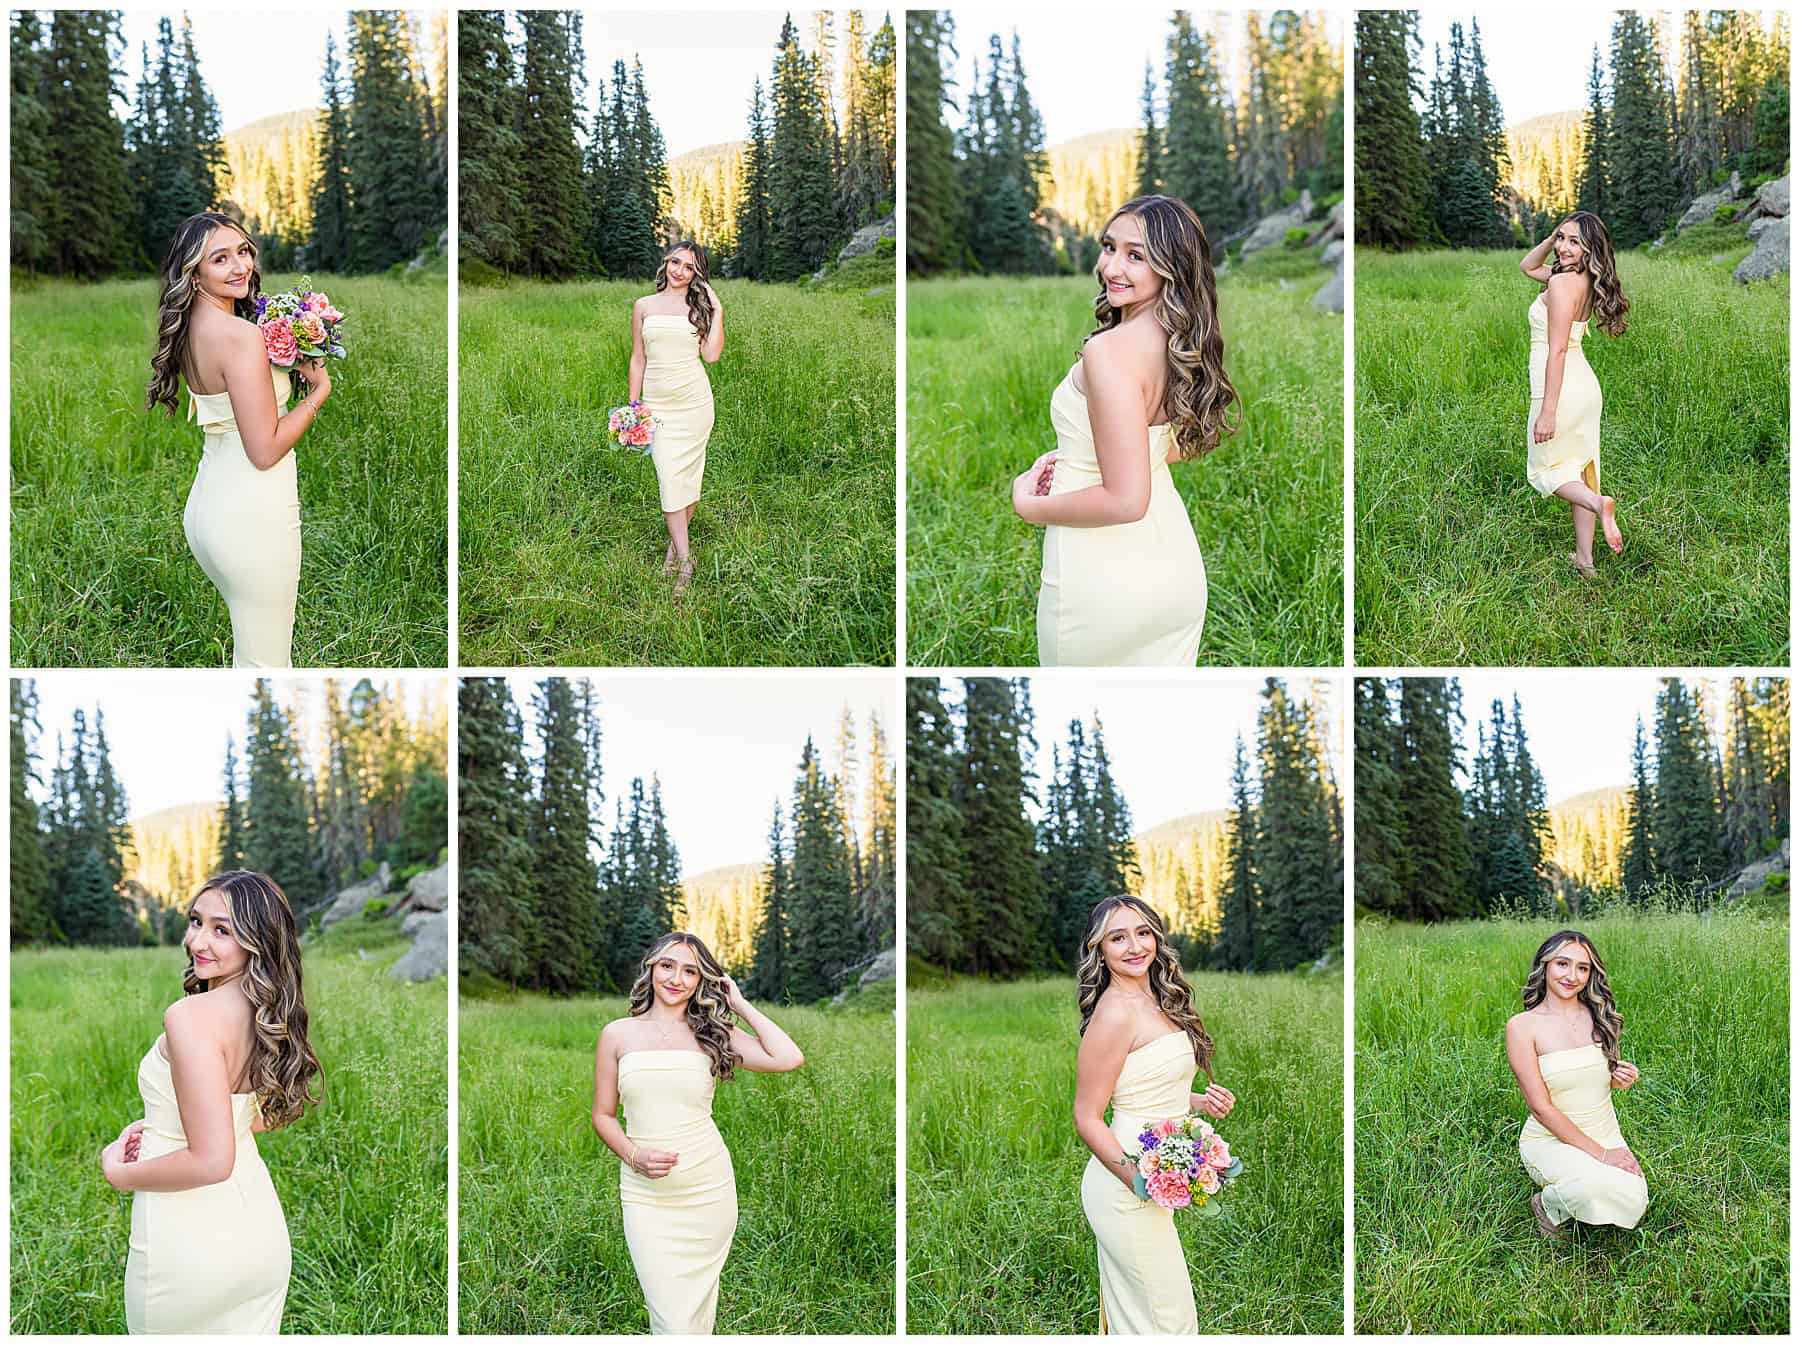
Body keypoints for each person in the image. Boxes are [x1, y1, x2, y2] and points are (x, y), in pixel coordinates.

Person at [1012, 194, 1240, 665]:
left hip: (1102, 579)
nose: (1111, 267)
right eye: (1109, 247)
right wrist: (1082, 459)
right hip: (1172, 566)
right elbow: (1167, 446)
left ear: (1170, 268)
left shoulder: (1110, 352)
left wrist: (1031, 505)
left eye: (1135, 256)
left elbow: (1125, 500)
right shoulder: (1178, 344)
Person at [101, 871, 322, 1333]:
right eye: (196, 921)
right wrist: (164, 1130)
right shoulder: (266, 1014)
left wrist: (119, 1173)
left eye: (222, 930)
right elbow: (252, 1119)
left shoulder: (191, 1017)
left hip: (189, 1241)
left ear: (256, 941)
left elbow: (212, 1160)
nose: (199, 940)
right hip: (258, 1231)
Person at [591, 933, 802, 1332]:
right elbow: (603, 1115)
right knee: (670, 1316)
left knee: (692, 1318)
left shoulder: (714, 1033)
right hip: (647, 1197)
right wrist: (634, 1156)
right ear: (651, 968)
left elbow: (789, 1058)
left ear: (703, 979)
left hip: (708, 1193)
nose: (676, 978)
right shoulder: (617, 1034)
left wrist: (738, 1004)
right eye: (668, 965)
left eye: (690, 970)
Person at [147, 213, 331, 667]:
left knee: (252, 657)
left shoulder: (191, 328)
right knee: (267, 666)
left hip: (209, 510)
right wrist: (319, 391)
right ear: (194, 273)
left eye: (244, 252)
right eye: (220, 259)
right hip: (253, 517)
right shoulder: (242, 336)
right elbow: (265, 450)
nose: (240, 267)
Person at [1074, 895, 1237, 1332]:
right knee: (1168, 1322)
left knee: (1149, 1317)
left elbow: (1145, 1092)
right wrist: (1139, 1183)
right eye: (1117, 937)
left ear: (1157, 937)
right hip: (1122, 1187)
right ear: (1100, 950)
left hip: (1151, 1177)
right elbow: (1087, 1116)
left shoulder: (1161, 1000)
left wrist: (1200, 1102)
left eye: (1142, 932)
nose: (1134, 946)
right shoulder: (1113, 1015)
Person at [1504, 929, 1645, 1238]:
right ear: (1545, 966)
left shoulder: (1598, 1015)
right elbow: (1540, 1108)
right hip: (1550, 1138)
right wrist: (1602, 1155)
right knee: (1590, 1188)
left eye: (1583, 968)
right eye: (1562, 964)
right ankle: (1547, 1205)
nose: (1572, 975)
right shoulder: (1522, 1027)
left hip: (1604, 1131)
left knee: (1634, 1200)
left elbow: (1595, 1080)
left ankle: (1580, 1186)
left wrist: (1619, 1079)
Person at [1519, 211, 1630, 578]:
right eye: (1561, 238)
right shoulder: (1577, 278)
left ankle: (1600, 504)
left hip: (1559, 386)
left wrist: (1547, 411)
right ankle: (1586, 563)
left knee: (1544, 471)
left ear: (1589, 250)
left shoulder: (1561, 286)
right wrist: (1552, 241)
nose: (1564, 248)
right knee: (1581, 471)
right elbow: (1526, 265)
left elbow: (1558, 351)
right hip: (1584, 387)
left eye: (1574, 242)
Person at [628, 241, 724, 599]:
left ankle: (676, 553)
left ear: (697, 273)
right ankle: (687, 559)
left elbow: (711, 356)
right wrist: (634, 407)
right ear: (666, 263)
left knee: (688, 479)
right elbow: (638, 359)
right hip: (656, 408)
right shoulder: (643, 306)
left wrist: (718, 310)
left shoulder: (697, 309)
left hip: (696, 406)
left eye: (688, 266)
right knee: (670, 479)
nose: (679, 271)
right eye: (675, 262)